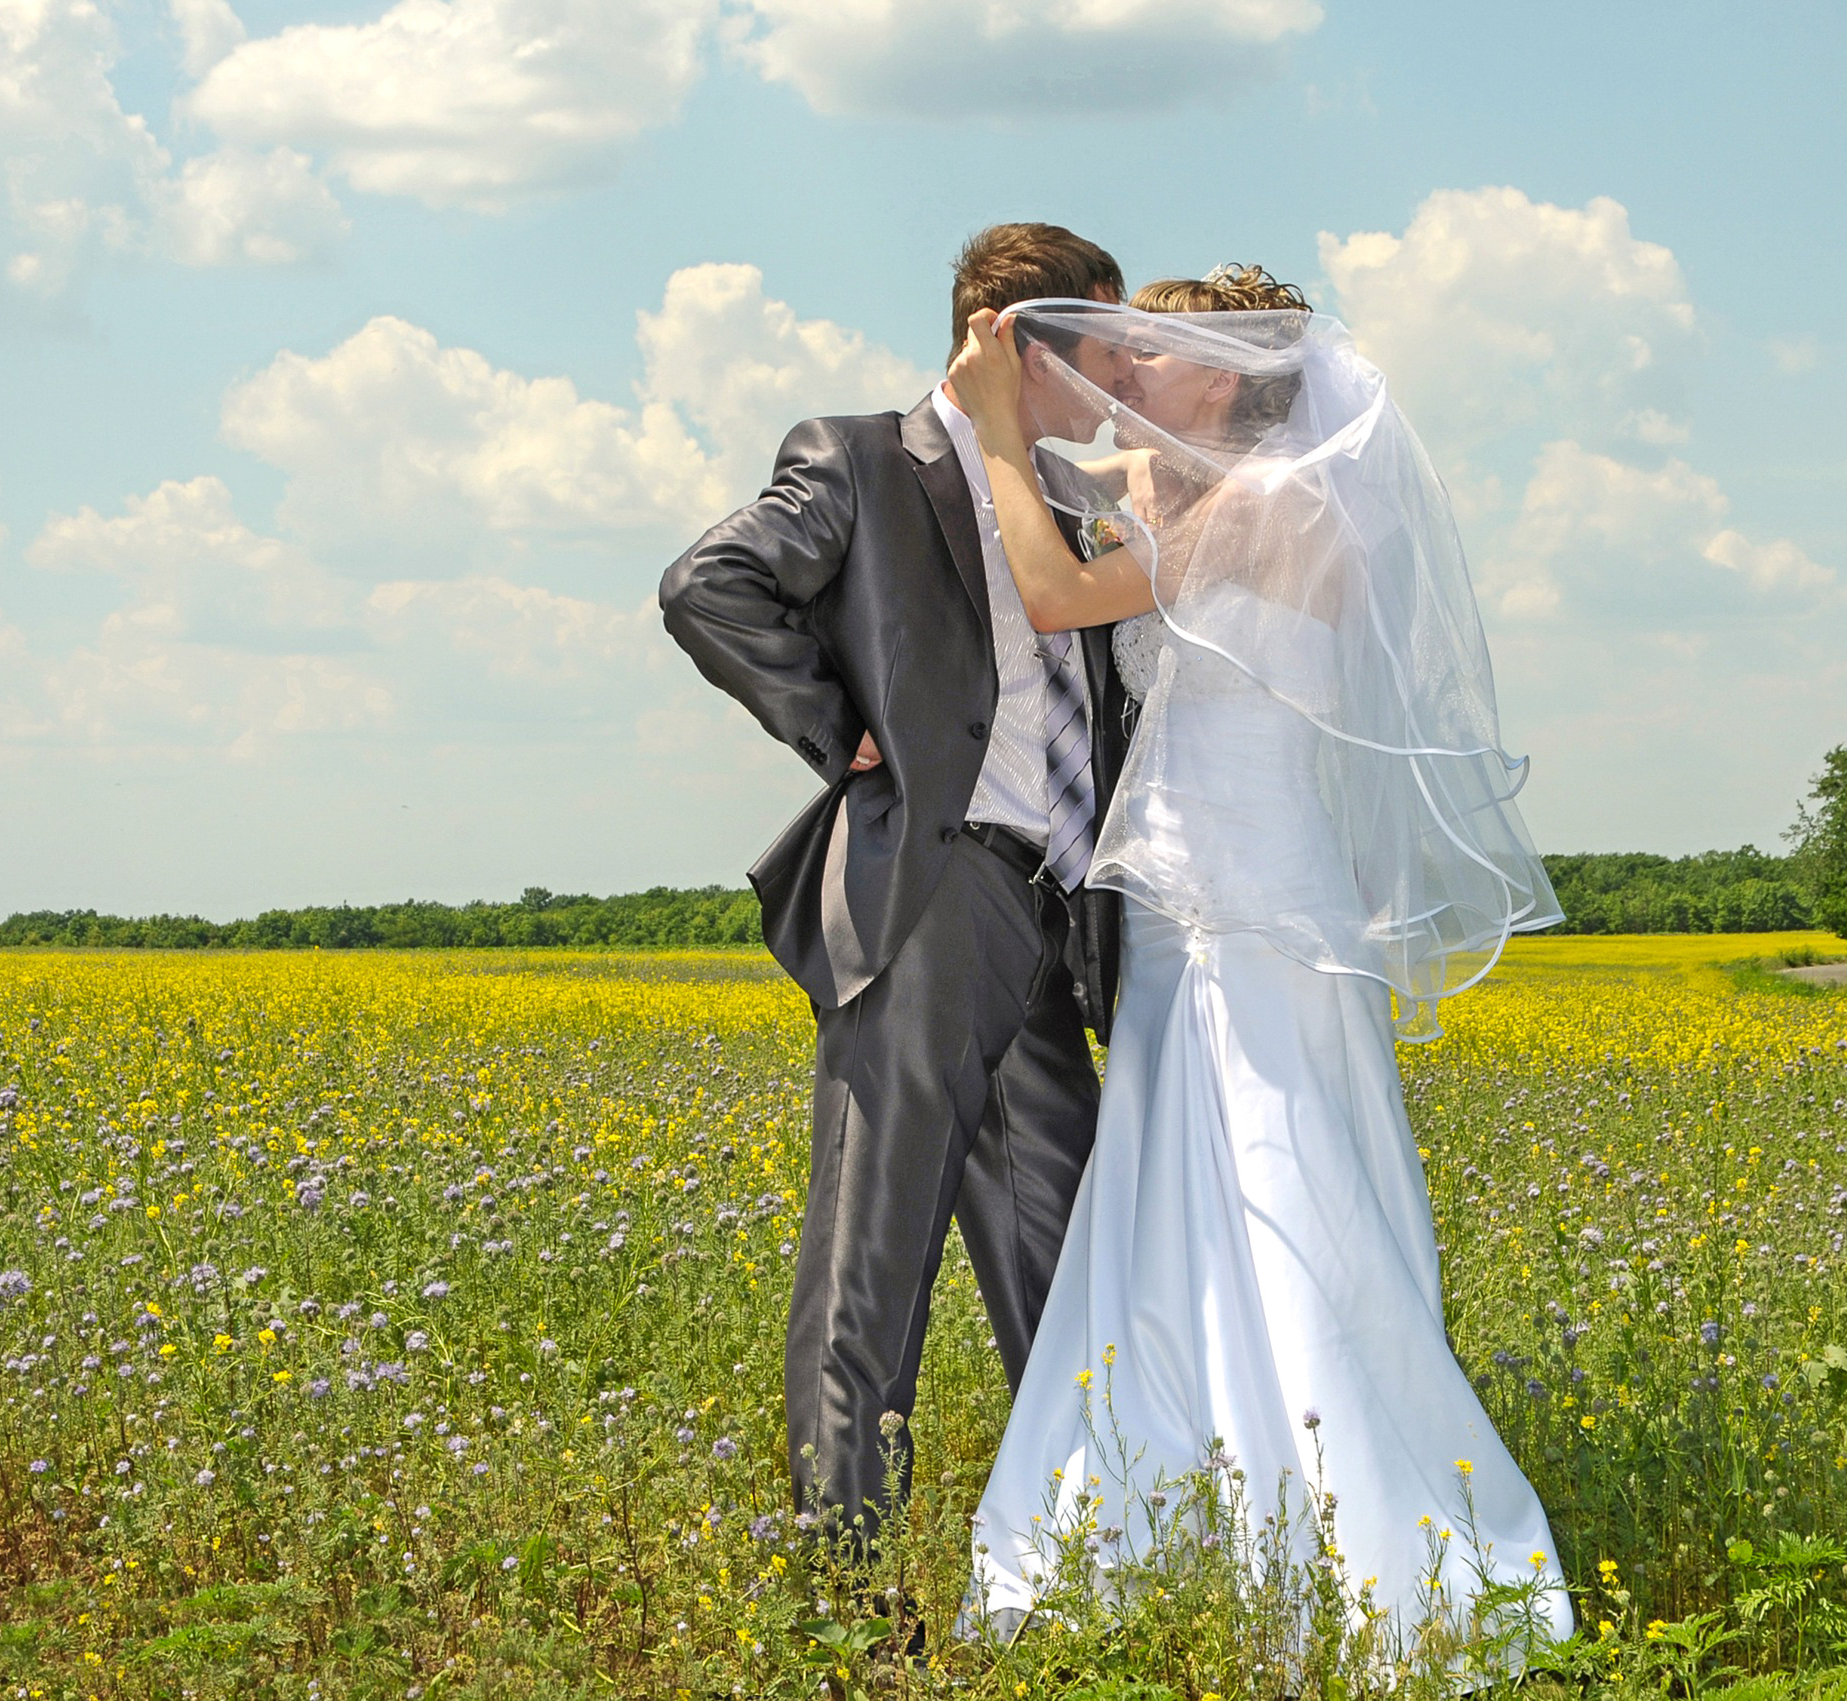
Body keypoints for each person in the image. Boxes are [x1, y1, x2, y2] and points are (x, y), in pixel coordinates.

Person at [944, 266, 1575, 1665]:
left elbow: (1055, 596)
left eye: (1153, 357)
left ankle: (1355, 1545)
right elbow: (1125, 523)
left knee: (1283, 1197)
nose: (1128, 379)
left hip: (1246, 910)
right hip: (1202, 905)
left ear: (1222, 374)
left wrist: (997, 424)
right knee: (1187, 1196)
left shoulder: (1268, 501)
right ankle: (1209, 1509)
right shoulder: (1232, 497)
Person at [658, 223, 1139, 1546]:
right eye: (1093, 344)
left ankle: (1089, 1562)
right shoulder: (862, 456)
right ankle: (846, 1588)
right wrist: (839, 728)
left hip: (1051, 914)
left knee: (1069, 1242)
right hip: (927, 896)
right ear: (1012, 337)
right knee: (874, 1259)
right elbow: (709, 582)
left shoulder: (1072, 497)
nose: (1111, 378)